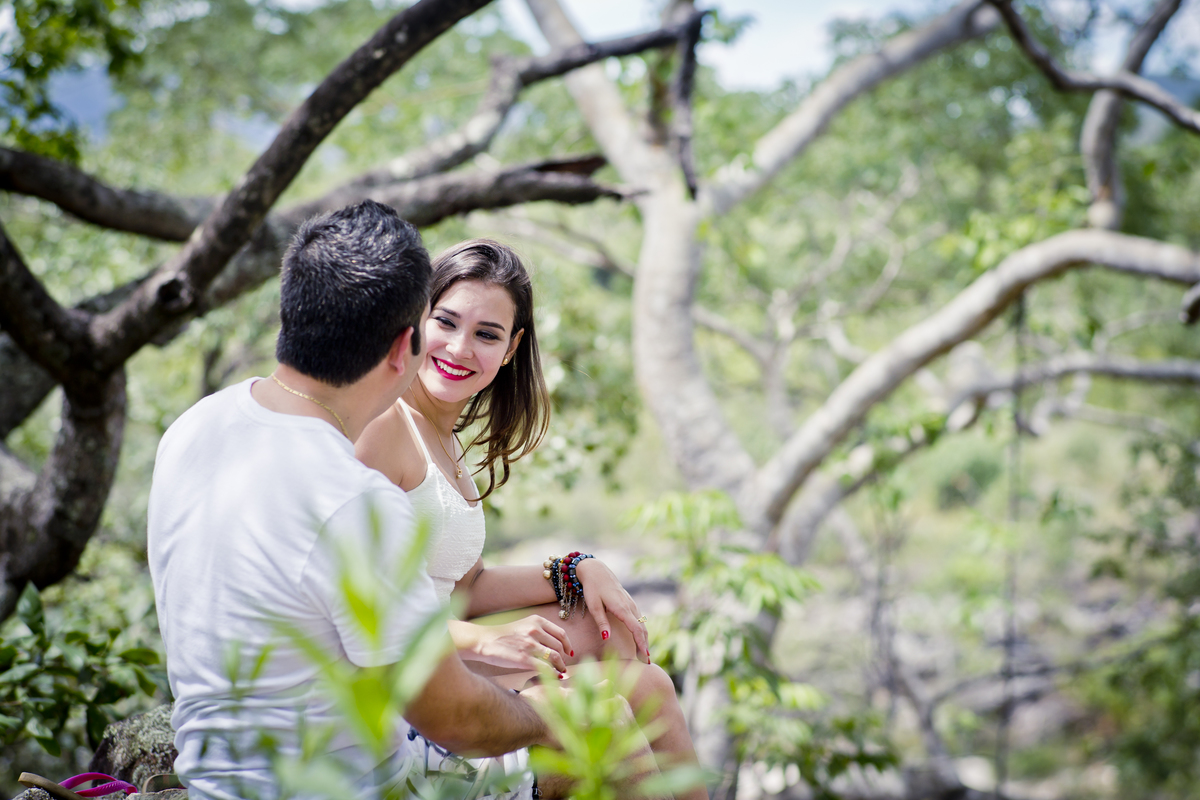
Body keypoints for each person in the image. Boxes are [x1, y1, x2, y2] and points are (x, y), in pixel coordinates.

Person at [147, 202, 573, 800]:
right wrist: (553, 721)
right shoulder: (355, 498)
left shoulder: (193, 427)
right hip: (352, 787)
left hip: (216, 780)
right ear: (405, 346)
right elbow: (455, 718)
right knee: (602, 726)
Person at [356, 239, 708, 800]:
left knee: (645, 678)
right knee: (604, 716)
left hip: (441, 665)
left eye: (487, 334)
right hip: (399, 703)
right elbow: (357, 608)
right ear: (415, 319)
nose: (460, 348)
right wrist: (486, 641)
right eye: (446, 322)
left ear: (511, 348)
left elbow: (462, 585)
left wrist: (575, 567)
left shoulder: (443, 440)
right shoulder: (383, 428)